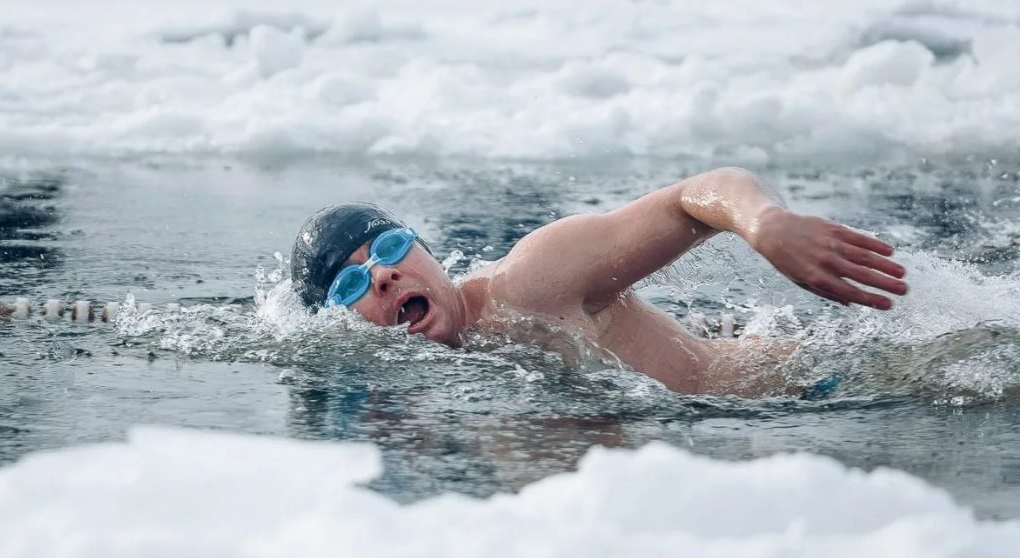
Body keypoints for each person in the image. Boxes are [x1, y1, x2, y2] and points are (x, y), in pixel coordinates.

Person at [290, 167, 908, 397]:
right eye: (349, 286)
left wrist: (766, 224)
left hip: (805, 385)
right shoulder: (410, 387)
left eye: (393, 248)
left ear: (429, 253)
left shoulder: (530, 283)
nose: (384, 274)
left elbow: (691, 198)